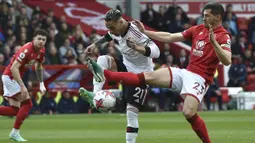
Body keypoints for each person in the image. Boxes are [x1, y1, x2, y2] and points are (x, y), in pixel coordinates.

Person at [85, 2, 231, 143]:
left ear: (217, 17)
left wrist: (215, 44)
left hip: (200, 79)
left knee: (188, 112)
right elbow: (170, 37)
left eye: (206, 16)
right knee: (148, 77)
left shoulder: (223, 36)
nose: (203, 18)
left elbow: (227, 60)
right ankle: (106, 76)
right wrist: (146, 32)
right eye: (203, 15)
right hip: (186, 72)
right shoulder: (198, 29)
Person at [79, 9, 160, 143]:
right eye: (108, 27)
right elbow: (109, 36)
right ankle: (96, 95)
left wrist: (137, 48)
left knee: (131, 113)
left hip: (142, 76)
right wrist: (94, 45)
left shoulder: (136, 32)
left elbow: (156, 52)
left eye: (112, 27)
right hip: (126, 67)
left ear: (121, 22)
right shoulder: (116, 30)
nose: (110, 30)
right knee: (102, 60)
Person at [0, 29, 48, 142]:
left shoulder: (41, 50)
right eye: (39, 39)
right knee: (27, 103)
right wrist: (22, 86)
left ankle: (14, 133)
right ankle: (14, 133)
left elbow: (38, 66)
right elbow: (13, 68)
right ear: (33, 39)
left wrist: (41, 83)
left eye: (43, 39)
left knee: (15, 110)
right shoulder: (26, 50)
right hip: (11, 77)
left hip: (13, 78)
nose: (41, 41)